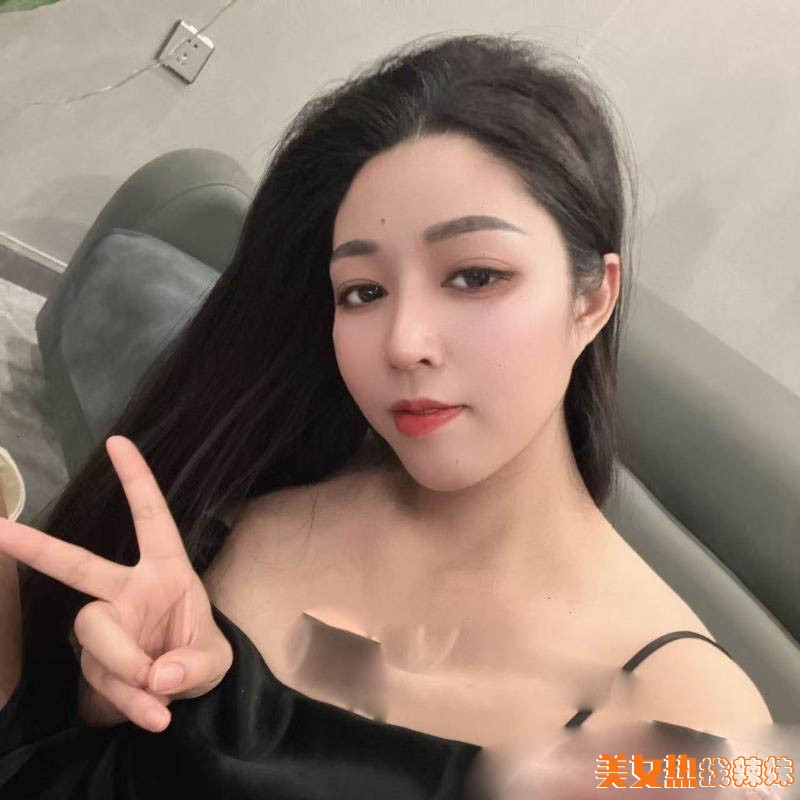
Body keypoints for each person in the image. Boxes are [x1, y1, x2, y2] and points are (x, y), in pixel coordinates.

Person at [0, 31, 774, 798]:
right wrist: (113, 694)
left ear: (592, 298)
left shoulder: (701, 728)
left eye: (475, 276)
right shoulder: (246, 506)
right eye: (363, 292)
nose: (403, 343)